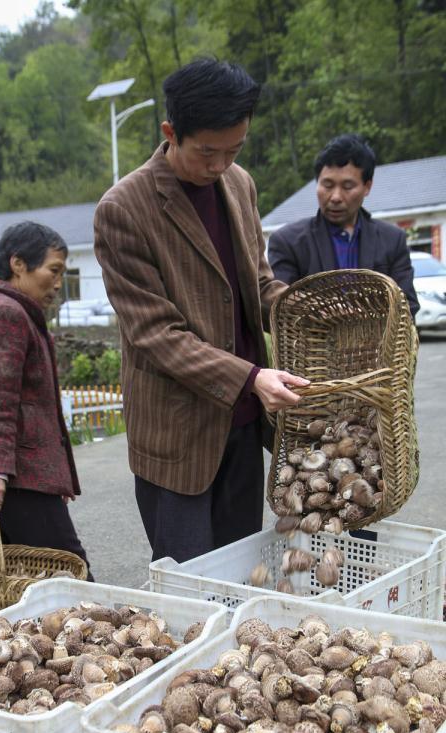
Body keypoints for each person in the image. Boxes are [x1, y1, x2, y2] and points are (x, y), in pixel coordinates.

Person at [93, 58, 309, 564]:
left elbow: (257, 283)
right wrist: (251, 376)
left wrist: (304, 309)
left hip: (242, 421)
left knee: (239, 569)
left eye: (234, 150)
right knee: (190, 579)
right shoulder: (124, 209)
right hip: (177, 435)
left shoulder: (239, 184)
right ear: (171, 132)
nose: (219, 166)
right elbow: (156, 334)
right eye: (207, 152)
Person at [0, 221, 93, 578]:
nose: (58, 283)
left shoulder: (14, 312)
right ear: (18, 264)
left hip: (14, 474)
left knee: (7, 587)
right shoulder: (4, 314)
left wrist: (52, 477)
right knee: (71, 578)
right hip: (11, 477)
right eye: (53, 270)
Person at [267, 133, 419, 319]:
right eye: (328, 185)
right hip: (314, 346)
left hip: (378, 346)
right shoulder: (288, 242)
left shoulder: (392, 240)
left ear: (367, 187)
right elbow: (278, 304)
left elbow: (408, 305)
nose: (336, 197)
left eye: (347, 186)